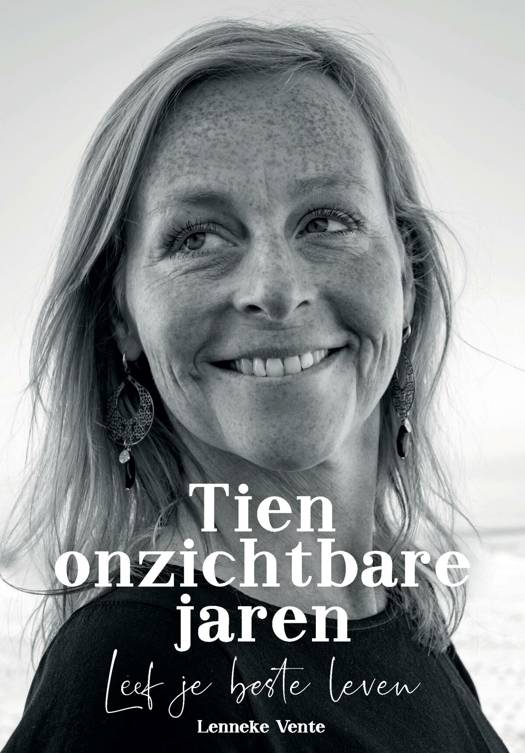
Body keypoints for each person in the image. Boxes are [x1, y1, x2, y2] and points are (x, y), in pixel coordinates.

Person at [0, 19, 510, 753]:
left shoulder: (404, 621)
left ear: (406, 274)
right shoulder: (137, 672)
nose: (274, 289)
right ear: (122, 315)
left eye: (326, 220)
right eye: (197, 237)